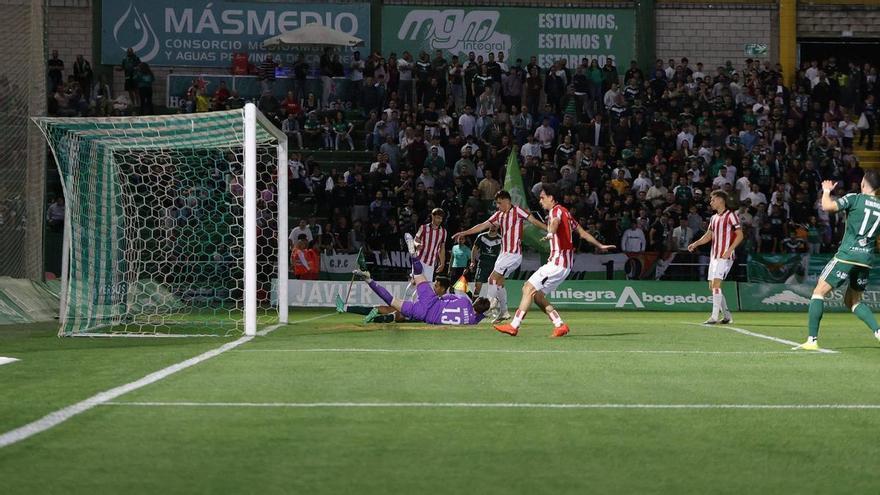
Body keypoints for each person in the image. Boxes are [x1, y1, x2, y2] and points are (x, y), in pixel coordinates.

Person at [494, 185, 615, 337]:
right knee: (537, 296)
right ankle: (560, 325)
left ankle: (514, 325)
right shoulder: (566, 212)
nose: (540, 201)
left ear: (551, 198)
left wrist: (551, 234)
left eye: (542, 197)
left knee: (527, 288)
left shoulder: (556, 211)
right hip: (565, 265)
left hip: (557, 263)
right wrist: (600, 245)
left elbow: (555, 223)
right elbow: (582, 233)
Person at [794, 174, 880, 351]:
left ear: (863, 183)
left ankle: (812, 340)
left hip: (847, 255)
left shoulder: (855, 198)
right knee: (853, 301)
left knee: (819, 292)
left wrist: (826, 191)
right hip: (866, 259)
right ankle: (878, 331)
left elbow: (827, 206)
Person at [352, 234, 490, 325]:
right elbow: (480, 316)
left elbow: (447, 297)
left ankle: (413, 255)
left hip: (431, 301)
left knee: (418, 273)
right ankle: (369, 280)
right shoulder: (472, 321)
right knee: (391, 301)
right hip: (423, 313)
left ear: (475, 302)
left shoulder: (465, 301)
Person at [452, 190, 548, 322]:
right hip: (504, 254)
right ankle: (504, 312)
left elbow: (534, 221)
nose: (498, 206)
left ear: (507, 201)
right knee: (500, 284)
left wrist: (550, 229)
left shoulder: (518, 211)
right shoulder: (498, 215)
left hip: (513, 254)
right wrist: (465, 232)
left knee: (492, 279)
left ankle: (489, 306)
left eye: (499, 203)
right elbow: (482, 226)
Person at [687, 190, 744, 324]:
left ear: (720, 200)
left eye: (713, 200)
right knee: (712, 287)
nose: (711, 202)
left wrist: (729, 250)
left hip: (725, 257)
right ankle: (727, 316)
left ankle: (713, 317)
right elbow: (709, 235)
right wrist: (695, 244)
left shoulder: (731, 215)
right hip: (714, 256)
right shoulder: (713, 218)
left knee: (717, 284)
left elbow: (740, 235)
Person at [412, 208, 447, 282]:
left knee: (426, 286)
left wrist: (442, 263)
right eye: (438, 218)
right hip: (419, 259)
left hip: (431, 263)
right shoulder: (423, 228)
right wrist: (417, 244)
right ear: (432, 216)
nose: (440, 220)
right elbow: (415, 240)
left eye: (441, 218)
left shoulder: (443, 232)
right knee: (415, 282)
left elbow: (442, 248)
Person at [470, 224, 502, 297]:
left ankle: (491, 305)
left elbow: (502, 253)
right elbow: (474, 249)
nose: (493, 227)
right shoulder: (481, 236)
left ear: (498, 227)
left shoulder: (501, 239)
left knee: (493, 287)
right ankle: (473, 305)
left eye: (495, 226)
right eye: (492, 225)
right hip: (482, 264)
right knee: (477, 286)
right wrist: (472, 261)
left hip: (494, 266)